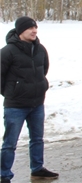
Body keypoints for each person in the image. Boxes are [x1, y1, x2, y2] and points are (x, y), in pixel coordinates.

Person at [1, 17, 59, 182]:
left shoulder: (40, 49)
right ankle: (4, 174)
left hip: (37, 103)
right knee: (10, 143)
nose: (34, 31)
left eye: (36, 28)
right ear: (20, 31)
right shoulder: (8, 51)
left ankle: (37, 168)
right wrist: (12, 92)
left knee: (37, 139)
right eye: (30, 28)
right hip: (15, 106)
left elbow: (44, 70)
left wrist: (40, 86)